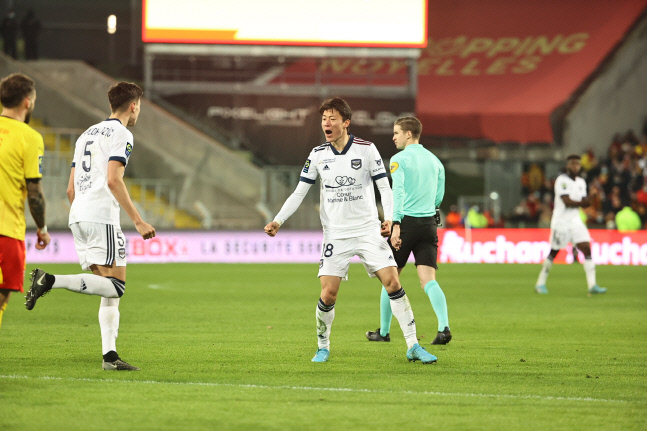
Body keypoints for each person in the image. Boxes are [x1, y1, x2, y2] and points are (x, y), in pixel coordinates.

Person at [264, 97, 436, 364]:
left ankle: (413, 345)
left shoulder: (366, 150)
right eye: (324, 119)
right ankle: (323, 347)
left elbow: (384, 187)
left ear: (346, 123)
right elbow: (299, 192)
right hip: (336, 233)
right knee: (328, 293)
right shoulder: (317, 154)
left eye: (332, 119)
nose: (326, 123)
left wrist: (390, 219)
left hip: (368, 230)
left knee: (393, 282)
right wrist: (278, 220)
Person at [25, 82, 156, 371]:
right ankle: (50, 280)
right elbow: (113, 180)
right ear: (133, 105)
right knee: (117, 287)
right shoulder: (122, 134)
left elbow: (70, 189)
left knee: (108, 289)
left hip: (79, 214)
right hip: (100, 216)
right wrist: (138, 220)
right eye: (139, 106)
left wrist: (82, 214)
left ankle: (110, 357)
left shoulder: (86, 134)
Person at [366, 117, 451, 346]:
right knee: (428, 281)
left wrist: (396, 223)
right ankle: (443, 327)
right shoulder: (435, 160)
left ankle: (384, 332)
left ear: (409, 134)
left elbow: (399, 192)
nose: (393, 137)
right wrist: (428, 207)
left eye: (396, 132)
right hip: (429, 224)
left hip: (406, 224)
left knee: (390, 278)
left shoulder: (399, 160)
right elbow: (439, 195)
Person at [0, 73, 50, 331]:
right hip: (6, 230)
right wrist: (42, 228)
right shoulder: (29, 137)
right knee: (2, 297)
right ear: (27, 102)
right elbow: (34, 192)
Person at [534, 155, 607, 295]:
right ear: (567, 165)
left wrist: (592, 197)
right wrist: (585, 202)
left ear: (580, 166)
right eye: (572, 163)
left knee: (586, 249)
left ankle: (592, 285)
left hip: (575, 221)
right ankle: (540, 283)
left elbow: (584, 203)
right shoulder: (562, 180)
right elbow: (567, 202)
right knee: (554, 252)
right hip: (561, 221)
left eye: (577, 164)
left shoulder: (581, 182)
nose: (575, 166)